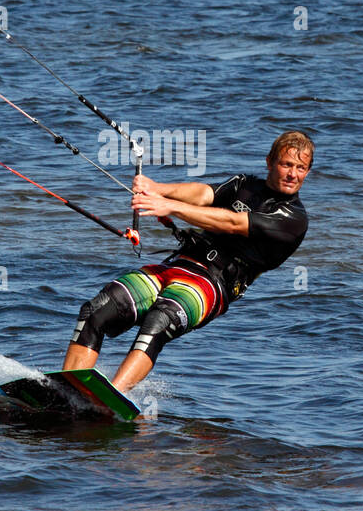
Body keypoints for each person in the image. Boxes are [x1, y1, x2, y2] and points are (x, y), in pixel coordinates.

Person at [63, 130, 313, 392]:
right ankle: (68, 388)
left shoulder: (293, 219)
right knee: (98, 308)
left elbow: (232, 222)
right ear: (270, 162)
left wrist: (171, 207)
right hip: (178, 265)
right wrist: (157, 189)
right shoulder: (245, 184)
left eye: (301, 168)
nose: (292, 174)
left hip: (213, 285)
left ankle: (111, 397)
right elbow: (204, 194)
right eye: (286, 164)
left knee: (159, 321)